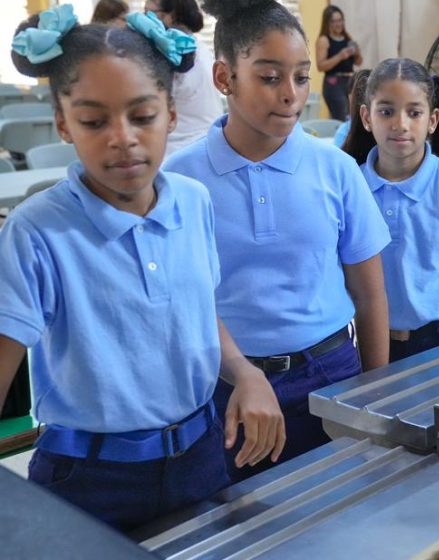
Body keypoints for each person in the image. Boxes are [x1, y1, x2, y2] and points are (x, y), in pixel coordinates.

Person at [0, 5, 283, 532]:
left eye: (143, 116)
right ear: (62, 122)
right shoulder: (36, 232)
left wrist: (244, 372)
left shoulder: (194, 202)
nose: (122, 137)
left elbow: (196, 313)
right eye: (93, 120)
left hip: (199, 455)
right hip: (88, 479)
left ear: (171, 115)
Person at [164, 0, 392, 482]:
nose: (291, 95)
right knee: (246, 525)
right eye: (270, 78)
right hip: (227, 389)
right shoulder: (178, 182)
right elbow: (183, 303)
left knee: (342, 517)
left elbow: (370, 295)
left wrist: (375, 396)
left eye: (301, 77)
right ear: (224, 78)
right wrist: (239, 373)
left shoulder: (335, 168)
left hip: (332, 375)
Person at [343, 58, 439, 362]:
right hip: (369, 342)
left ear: (432, 120)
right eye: (386, 111)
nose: (400, 124)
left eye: (414, 112)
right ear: (366, 117)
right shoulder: (349, 187)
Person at [144, 0, 220, 154]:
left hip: (180, 151)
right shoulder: (196, 46)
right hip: (204, 145)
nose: (144, 20)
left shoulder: (176, 55)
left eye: (149, 13)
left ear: (171, 16)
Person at [315, 5, 361, 122]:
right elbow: (320, 66)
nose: (338, 24)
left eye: (340, 20)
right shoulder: (324, 40)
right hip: (333, 84)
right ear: (327, 23)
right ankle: (342, 140)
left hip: (350, 81)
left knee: (355, 118)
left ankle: (351, 140)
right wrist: (340, 56)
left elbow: (359, 62)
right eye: (334, 21)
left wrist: (356, 53)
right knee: (342, 119)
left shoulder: (347, 38)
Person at [334, 68, 370, 150]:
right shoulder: (344, 131)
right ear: (349, 97)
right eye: (358, 94)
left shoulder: (380, 129)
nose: (362, 99)